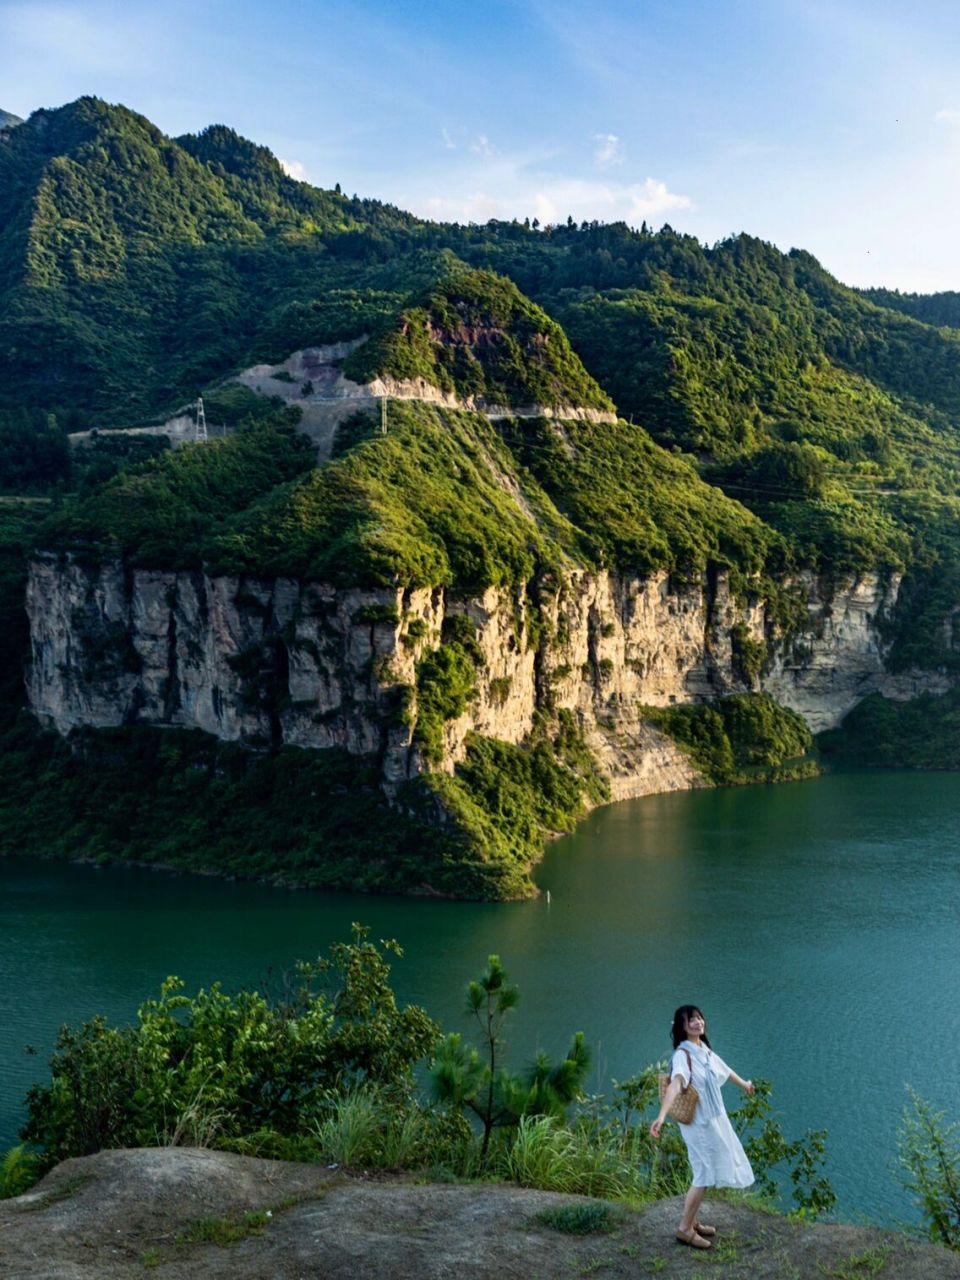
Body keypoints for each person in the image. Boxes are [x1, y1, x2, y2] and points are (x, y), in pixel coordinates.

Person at [649, 1005, 755, 1250]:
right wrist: (661, 1116)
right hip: (698, 1125)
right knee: (703, 1173)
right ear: (682, 1027)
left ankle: (693, 1221)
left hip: (712, 1119)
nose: (698, 1022)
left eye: (699, 1018)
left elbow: (725, 1070)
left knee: (704, 1171)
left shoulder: (702, 1049)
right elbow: (676, 1085)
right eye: (691, 1020)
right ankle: (685, 1229)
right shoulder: (682, 1055)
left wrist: (745, 1085)